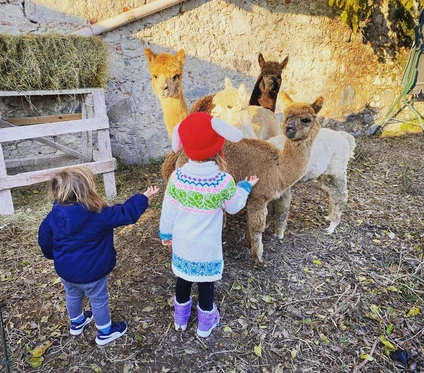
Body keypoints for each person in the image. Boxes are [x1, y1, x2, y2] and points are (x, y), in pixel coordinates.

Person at [159, 112, 258, 338]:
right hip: (207, 248)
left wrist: (165, 234)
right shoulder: (222, 181)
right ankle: (205, 325)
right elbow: (233, 207)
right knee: (206, 284)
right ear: (217, 146)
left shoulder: (177, 177)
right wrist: (245, 187)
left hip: (183, 244)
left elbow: (168, 209)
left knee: (182, 281)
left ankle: (180, 320)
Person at [38, 166, 160, 346]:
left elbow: (45, 240)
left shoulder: (52, 216)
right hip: (93, 272)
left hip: (66, 271)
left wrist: (54, 256)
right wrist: (142, 198)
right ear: (86, 190)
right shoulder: (98, 214)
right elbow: (125, 213)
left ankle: (77, 322)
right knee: (99, 299)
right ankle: (105, 331)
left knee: (72, 294)